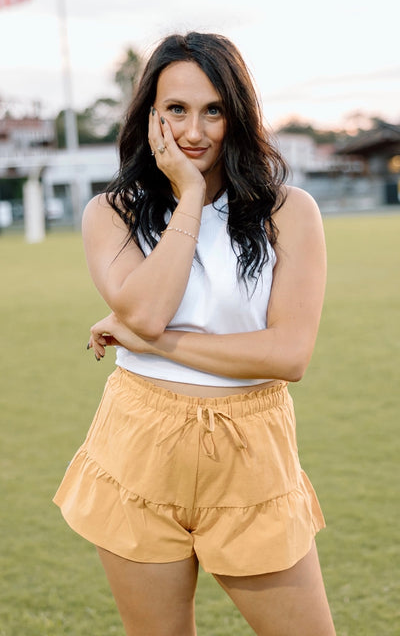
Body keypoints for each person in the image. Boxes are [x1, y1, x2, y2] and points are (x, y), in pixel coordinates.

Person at [53, 32, 336, 636]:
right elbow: (149, 310)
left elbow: (288, 354)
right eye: (176, 109)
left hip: (251, 451)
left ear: (238, 114)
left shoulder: (289, 212)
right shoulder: (112, 214)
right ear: (149, 115)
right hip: (138, 443)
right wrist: (188, 199)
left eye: (214, 110)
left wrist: (149, 344)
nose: (195, 131)